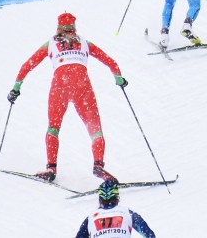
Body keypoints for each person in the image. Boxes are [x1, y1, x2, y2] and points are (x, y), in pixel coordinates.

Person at [7, 13, 127, 183]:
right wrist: (119, 78)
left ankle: (51, 168)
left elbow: (28, 64)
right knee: (95, 130)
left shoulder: (50, 43)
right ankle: (98, 164)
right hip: (83, 88)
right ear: (74, 27)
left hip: (60, 87)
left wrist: (16, 88)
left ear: (58, 28)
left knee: (54, 128)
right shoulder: (84, 42)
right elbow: (110, 61)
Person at [74, 180, 156, 238]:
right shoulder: (127, 213)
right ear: (117, 198)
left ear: (100, 199)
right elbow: (149, 234)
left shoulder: (91, 217)